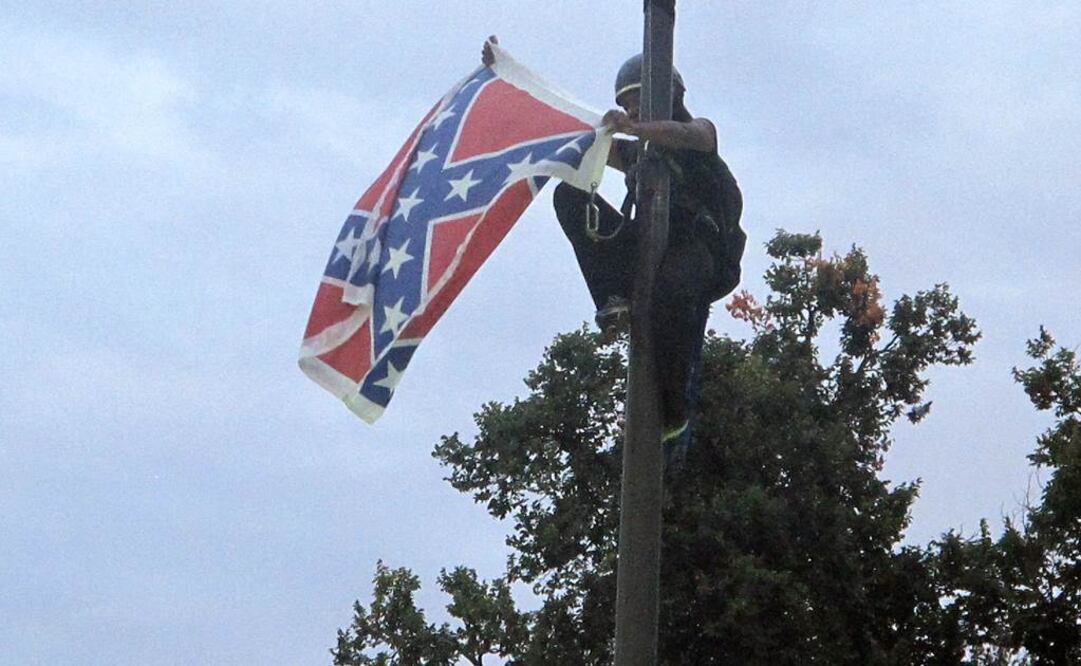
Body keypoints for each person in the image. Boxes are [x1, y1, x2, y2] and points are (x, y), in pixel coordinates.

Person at [483, 39, 745, 447]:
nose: (633, 110)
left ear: (670, 96)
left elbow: (693, 136)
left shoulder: (698, 134)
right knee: (568, 193)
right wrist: (509, 81)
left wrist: (638, 130)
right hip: (645, 243)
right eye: (628, 104)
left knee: (671, 296)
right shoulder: (636, 152)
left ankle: (672, 410)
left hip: (697, 248)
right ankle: (612, 298)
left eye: (640, 99)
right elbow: (576, 136)